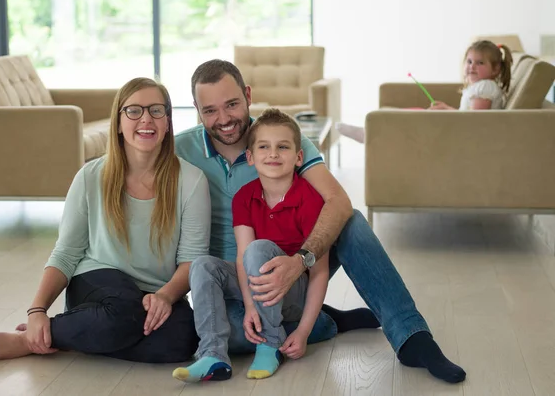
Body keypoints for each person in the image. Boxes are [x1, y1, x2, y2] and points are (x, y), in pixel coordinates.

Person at [175, 60, 466, 384]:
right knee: (219, 334)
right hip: (236, 288)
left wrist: (300, 262)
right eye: (210, 110)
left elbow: (338, 202)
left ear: (247, 95)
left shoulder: (282, 140)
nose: (225, 119)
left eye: (232, 104)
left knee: (350, 221)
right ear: (197, 111)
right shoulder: (180, 150)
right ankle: (321, 322)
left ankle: (412, 337)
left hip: (294, 267)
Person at [0, 77, 211, 364]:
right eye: (134, 111)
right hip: (97, 280)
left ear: (167, 122)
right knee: (124, 310)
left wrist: (166, 297)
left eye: (157, 110)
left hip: (153, 292)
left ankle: (65, 338)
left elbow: (191, 259)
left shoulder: (191, 180)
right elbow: (66, 253)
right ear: (118, 122)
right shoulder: (90, 176)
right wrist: (37, 311)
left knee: (184, 338)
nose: (146, 118)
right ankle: (29, 338)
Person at [173, 109, 379, 382]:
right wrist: (249, 308)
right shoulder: (244, 197)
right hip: (258, 288)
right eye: (263, 147)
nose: (273, 154)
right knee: (203, 266)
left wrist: (303, 332)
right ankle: (212, 355)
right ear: (250, 157)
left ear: (298, 157)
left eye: (282, 147)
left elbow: (318, 272)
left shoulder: (310, 199)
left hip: (295, 289)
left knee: (260, 250)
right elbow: (242, 258)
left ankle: (271, 343)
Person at [336, 40, 514, 143]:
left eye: (480, 63)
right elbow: (468, 115)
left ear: (496, 69)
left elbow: (475, 121)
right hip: (462, 130)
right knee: (416, 114)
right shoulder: (480, 87)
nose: (472, 67)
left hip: (465, 136)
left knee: (415, 120)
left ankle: (370, 134)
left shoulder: (486, 87)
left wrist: (447, 111)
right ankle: (372, 131)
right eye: (469, 62)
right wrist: (446, 108)